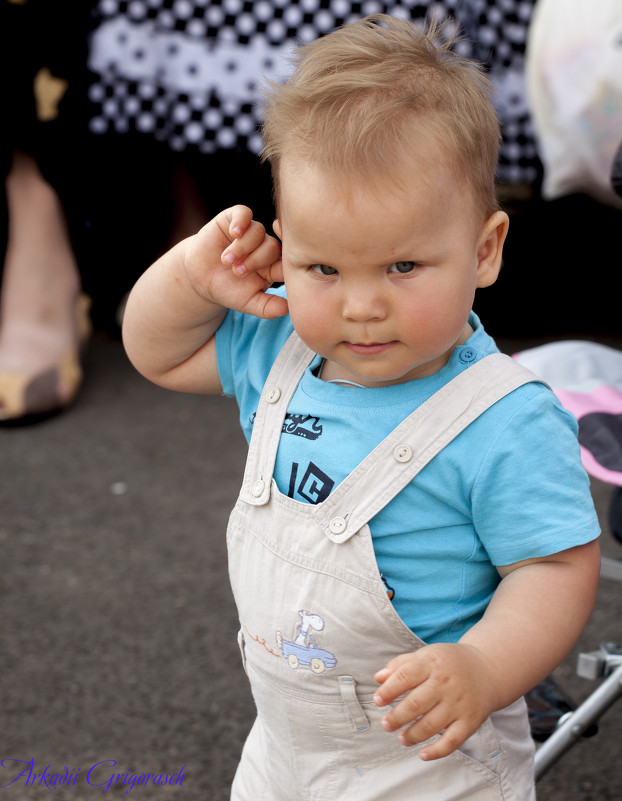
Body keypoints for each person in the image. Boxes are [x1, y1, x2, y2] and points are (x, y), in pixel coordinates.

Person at [122, 15, 601, 800]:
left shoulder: (502, 417)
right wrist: (189, 274)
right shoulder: (278, 344)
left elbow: (553, 566)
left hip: (432, 757)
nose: (361, 306)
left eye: (403, 265)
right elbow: (158, 352)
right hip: (282, 750)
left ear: (485, 250)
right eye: (323, 267)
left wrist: (484, 665)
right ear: (286, 245)